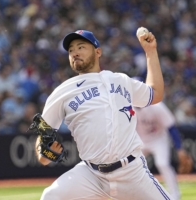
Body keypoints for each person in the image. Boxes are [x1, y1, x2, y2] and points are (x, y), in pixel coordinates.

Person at [35, 29, 173, 200]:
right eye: (71, 50)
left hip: (131, 171)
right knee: (50, 196)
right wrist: (45, 153)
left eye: (80, 47)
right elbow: (42, 139)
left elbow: (156, 93)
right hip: (91, 175)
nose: (75, 53)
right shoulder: (61, 92)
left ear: (97, 51)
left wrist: (150, 52)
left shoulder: (121, 80)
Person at [135, 100, 185, 200]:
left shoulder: (157, 106)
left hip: (158, 139)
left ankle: (175, 195)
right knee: (134, 167)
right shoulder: (127, 107)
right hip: (140, 140)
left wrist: (180, 149)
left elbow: (171, 127)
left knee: (162, 164)